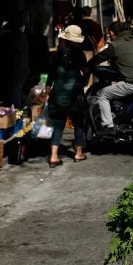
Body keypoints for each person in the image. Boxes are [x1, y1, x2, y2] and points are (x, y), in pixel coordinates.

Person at [87, 21, 133, 130]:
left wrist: (88, 64)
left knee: (102, 94)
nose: (109, 36)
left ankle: (108, 126)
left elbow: (100, 57)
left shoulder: (115, 45)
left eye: (109, 34)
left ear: (112, 33)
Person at [45, 25, 88, 167]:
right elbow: (86, 74)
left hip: (58, 94)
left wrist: (47, 92)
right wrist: (82, 82)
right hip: (75, 94)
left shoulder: (55, 55)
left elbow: (50, 77)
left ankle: (53, 156)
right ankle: (78, 153)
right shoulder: (79, 55)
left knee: (58, 125)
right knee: (78, 124)